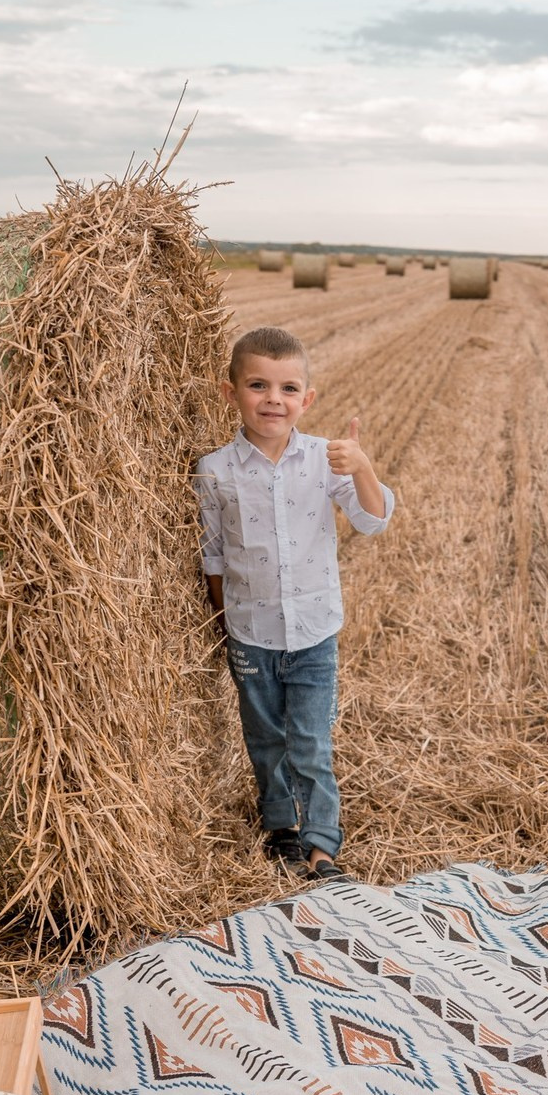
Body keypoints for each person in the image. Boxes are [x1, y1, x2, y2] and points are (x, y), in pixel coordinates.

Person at [195, 325, 395, 882]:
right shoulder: (215, 471)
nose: (272, 400)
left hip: (313, 632)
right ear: (230, 391)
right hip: (250, 632)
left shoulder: (324, 460)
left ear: (306, 399)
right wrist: (222, 624)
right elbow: (213, 555)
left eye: (287, 389)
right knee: (264, 739)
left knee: (309, 742)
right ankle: (280, 825)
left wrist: (363, 468)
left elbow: (372, 520)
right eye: (258, 385)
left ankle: (322, 844)